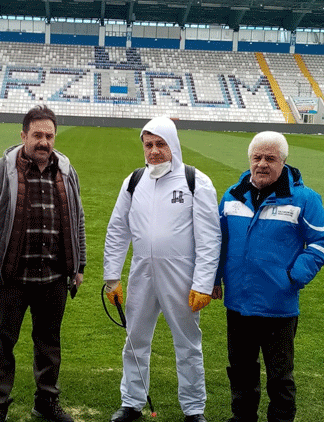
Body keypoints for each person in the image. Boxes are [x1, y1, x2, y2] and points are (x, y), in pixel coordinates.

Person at [103, 116, 221, 422]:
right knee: (134, 341)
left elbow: (210, 238)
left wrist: (203, 283)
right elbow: (118, 229)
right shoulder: (133, 181)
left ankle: (194, 410)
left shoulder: (196, 181)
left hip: (182, 279)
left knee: (188, 345)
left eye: (160, 144)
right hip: (141, 275)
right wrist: (112, 278)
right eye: (148, 145)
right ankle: (132, 402)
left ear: (173, 145)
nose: (154, 151)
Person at [213, 131, 324, 422]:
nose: (262, 164)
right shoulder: (233, 195)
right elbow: (217, 241)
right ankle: (242, 418)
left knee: (280, 377)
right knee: (241, 371)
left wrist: (293, 276)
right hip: (238, 303)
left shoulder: (304, 199)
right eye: (257, 157)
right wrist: (214, 278)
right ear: (249, 160)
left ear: (283, 161)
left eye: (270, 158)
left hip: (278, 306)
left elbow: (323, 240)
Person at [0, 105, 86, 422]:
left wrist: (79, 266)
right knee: (2, 343)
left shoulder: (65, 171)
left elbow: (77, 220)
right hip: (9, 276)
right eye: (37, 135)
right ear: (23, 136)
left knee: (49, 343)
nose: (43, 141)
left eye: (49, 135)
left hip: (52, 277)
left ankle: (46, 401)